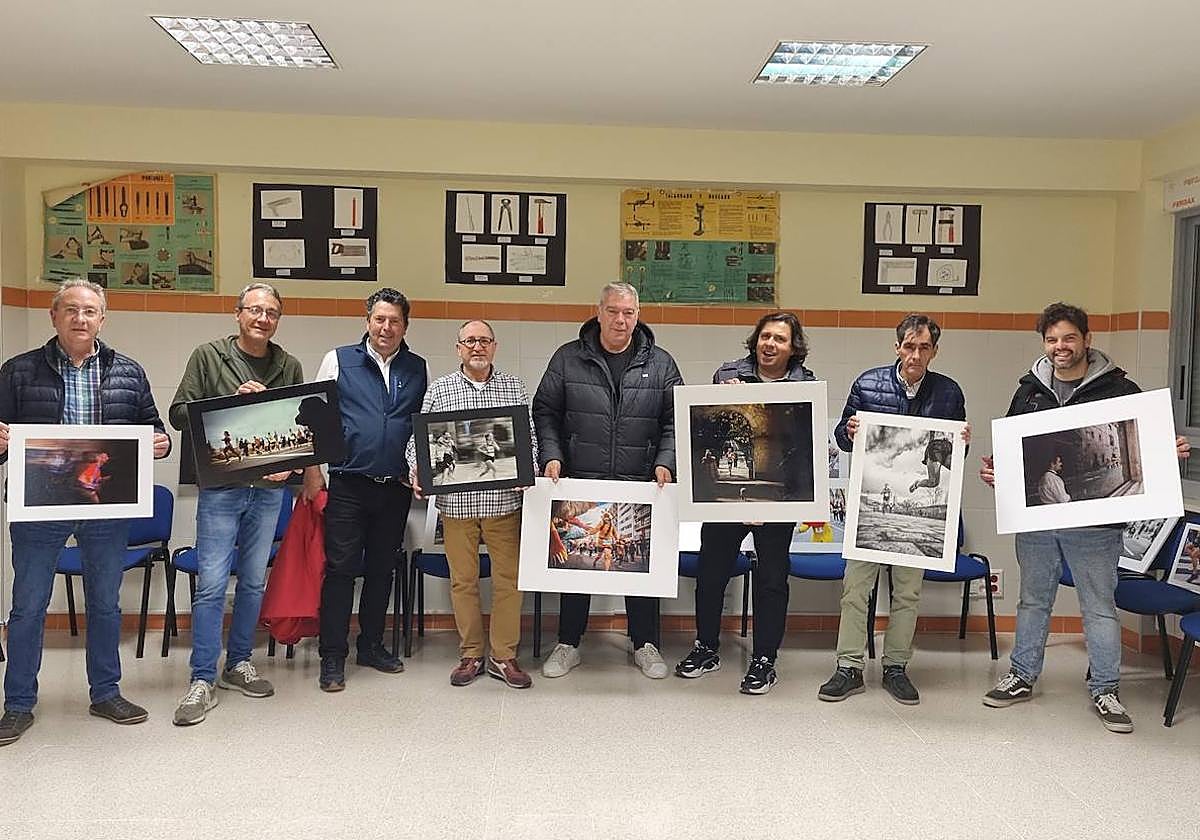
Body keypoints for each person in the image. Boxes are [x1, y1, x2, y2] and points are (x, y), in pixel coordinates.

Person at [980, 302, 1190, 733]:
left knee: (1098, 607)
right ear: (1044, 344)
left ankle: (1106, 688)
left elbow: (1149, 446)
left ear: (1086, 340)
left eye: (1069, 338)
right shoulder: (1028, 392)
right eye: (1052, 339)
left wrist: (1168, 455)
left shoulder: (1120, 391)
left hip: (1096, 529)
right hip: (1037, 525)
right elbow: (1017, 455)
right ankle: (1022, 674)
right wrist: (1000, 474)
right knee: (1033, 600)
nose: (1061, 347)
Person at [0, 279, 172, 747]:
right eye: (71, 310)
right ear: (54, 317)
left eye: (90, 311)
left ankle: (106, 693)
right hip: (39, 507)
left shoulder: (128, 373)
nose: (80, 318)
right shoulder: (18, 372)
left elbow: (153, 430)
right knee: (28, 606)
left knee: (105, 603)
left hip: (105, 508)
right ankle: (17, 704)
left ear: (103, 319)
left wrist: (162, 443)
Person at [169, 283, 304, 726]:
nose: (263, 318)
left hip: (268, 489)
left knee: (251, 582)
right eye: (255, 310)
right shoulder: (208, 356)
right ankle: (202, 677)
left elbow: (300, 423)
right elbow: (178, 414)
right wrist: (230, 404)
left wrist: (292, 466)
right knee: (210, 583)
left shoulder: (288, 364)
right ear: (238, 313)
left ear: (278, 320)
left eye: (271, 312)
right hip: (222, 488)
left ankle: (239, 663)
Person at [534, 281, 682, 679]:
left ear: (638, 315)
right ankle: (568, 643)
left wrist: (666, 460)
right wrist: (552, 455)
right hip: (581, 476)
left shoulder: (662, 363)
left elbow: (674, 420)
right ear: (598, 312)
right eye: (613, 311)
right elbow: (544, 411)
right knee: (576, 565)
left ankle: (645, 643)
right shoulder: (568, 359)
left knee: (640, 565)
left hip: (642, 479)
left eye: (628, 312)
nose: (621, 319)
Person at [819, 313, 968, 706]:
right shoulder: (867, 383)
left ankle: (896, 667)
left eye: (924, 348)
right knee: (855, 590)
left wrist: (963, 442)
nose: (915, 354)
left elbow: (953, 457)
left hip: (915, 509)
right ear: (896, 345)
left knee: (907, 593)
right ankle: (848, 667)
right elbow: (842, 440)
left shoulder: (949, 392)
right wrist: (847, 431)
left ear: (934, 351)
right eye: (909, 346)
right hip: (868, 513)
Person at [675, 311, 815, 694]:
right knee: (711, 572)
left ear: (793, 348)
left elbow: (804, 451)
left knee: (772, 579)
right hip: (723, 505)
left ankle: (765, 659)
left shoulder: (807, 386)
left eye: (780, 339)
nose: (770, 344)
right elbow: (703, 429)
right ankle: (706, 647)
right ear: (755, 340)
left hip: (779, 504)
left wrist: (772, 502)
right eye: (765, 336)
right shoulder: (726, 375)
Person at [304, 288, 427, 692]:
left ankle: (371, 645)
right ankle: (332, 657)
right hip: (348, 484)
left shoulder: (416, 367)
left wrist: (420, 470)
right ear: (367, 321)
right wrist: (312, 471)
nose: (386, 327)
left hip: (393, 488)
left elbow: (418, 428)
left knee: (381, 569)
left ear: (405, 326)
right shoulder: (339, 359)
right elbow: (314, 418)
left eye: (394, 321)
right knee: (340, 571)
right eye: (379, 319)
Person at [406, 320, 538, 689]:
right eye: (470, 341)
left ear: (495, 346)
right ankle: (471, 654)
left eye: (484, 340)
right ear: (458, 348)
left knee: (509, 581)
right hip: (457, 506)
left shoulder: (514, 387)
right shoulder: (440, 390)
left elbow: (528, 437)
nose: (477, 347)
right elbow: (417, 440)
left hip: (503, 503)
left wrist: (532, 469)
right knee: (463, 582)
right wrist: (417, 468)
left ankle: (503, 656)